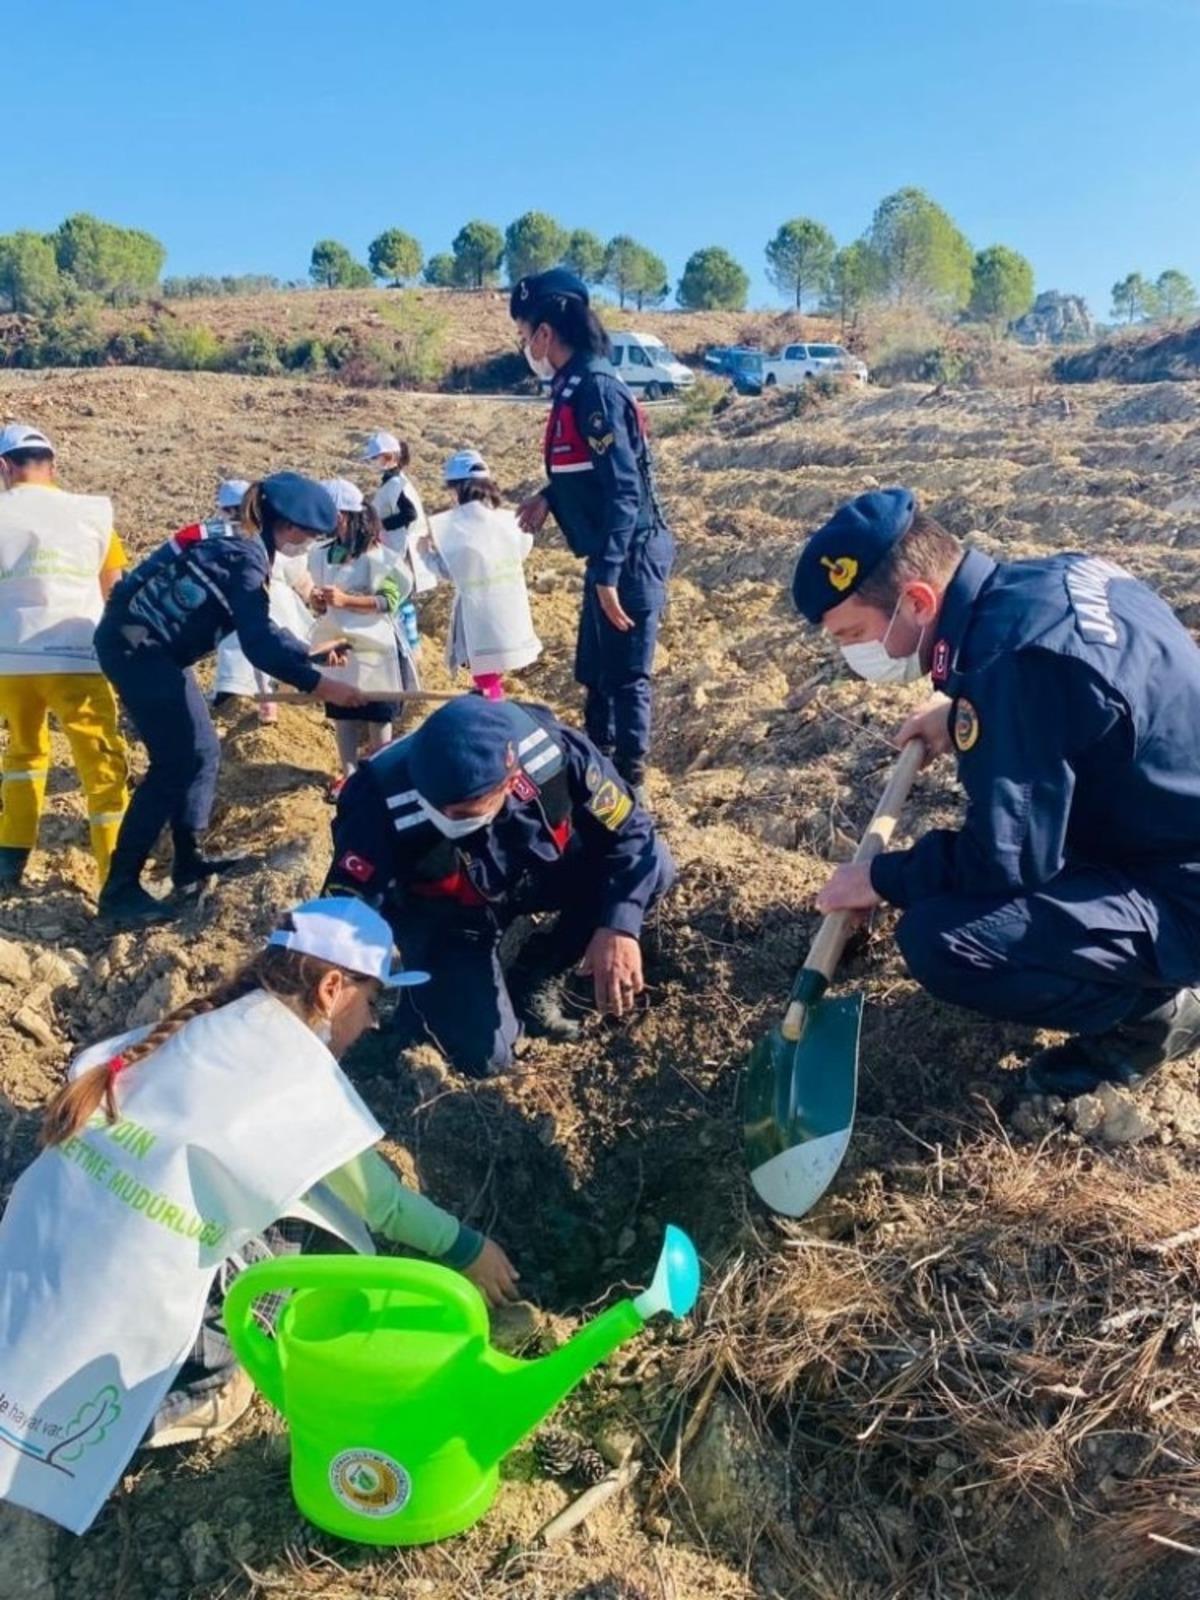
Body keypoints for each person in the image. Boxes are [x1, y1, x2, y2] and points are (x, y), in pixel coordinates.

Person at [0, 896, 518, 1533]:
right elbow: (380, 1203)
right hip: (128, 1307)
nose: (375, 1022)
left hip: (40, 1264)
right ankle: (200, 1392)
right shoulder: (289, 1075)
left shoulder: (210, 1029)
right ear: (332, 988)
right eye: (373, 1001)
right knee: (295, 1250)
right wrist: (469, 1249)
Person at [792, 487, 1200, 1098]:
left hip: (1181, 886)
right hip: (1163, 820)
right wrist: (961, 709)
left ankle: (1152, 1020)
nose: (849, 652)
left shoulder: (1009, 665)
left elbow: (1004, 863)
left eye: (853, 632)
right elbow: (1077, 700)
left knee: (943, 939)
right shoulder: (1057, 579)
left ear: (918, 602)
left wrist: (884, 878)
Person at [325, 694, 675, 1077]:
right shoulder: (378, 798)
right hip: (449, 920)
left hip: (533, 878)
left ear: (509, 780)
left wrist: (618, 926)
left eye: (461, 813)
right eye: (435, 806)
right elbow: (343, 916)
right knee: (485, 1059)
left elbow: (632, 833)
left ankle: (535, 973)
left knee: (653, 868)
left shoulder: (550, 753)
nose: (445, 818)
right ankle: (425, 1001)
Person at [95, 472, 364, 924]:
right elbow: (258, 643)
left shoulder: (242, 538)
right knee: (174, 763)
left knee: (203, 750)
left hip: (151, 646)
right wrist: (321, 686)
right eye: (314, 537)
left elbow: (259, 626)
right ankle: (120, 888)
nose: (310, 546)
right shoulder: (243, 556)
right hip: (137, 650)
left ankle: (188, 858)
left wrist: (311, 654)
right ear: (293, 528)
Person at [510, 268, 674, 803]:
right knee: (595, 672)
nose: (522, 346)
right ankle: (598, 779)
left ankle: (632, 790)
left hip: (630, 550)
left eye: (522, 333)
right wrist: (549, 496)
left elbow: (625, 489)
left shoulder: (595, 390)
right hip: (611, 550)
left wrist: (607, 575)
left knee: (626, 675)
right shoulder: (572, 385)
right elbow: (587, 469)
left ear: (544, 335)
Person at [0, 423, 130, 890]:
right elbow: (114, 590)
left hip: (10, 660)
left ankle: (9, 859)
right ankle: (116, 877)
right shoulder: (91, 514)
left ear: (4, 468)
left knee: (23, 753)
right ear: (53, 466)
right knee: (101, 765)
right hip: (77, 654)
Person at [311, 478, 409, 796]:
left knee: (377, 712)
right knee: (343, 712)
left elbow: (388, 601)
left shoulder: (377, 555)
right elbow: (318, 597)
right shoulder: (324, 554)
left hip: (375, 647)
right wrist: (319, 601)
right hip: (340, 644)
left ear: (346, 514)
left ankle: (381, 775)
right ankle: (349, 775)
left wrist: (346, 600)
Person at [423, 449, 542, 701]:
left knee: (485, 676)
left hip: (476, 610)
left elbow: (448, 570)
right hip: (506, 605)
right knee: (491, 674)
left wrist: (425, 552)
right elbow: (523, 548)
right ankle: (492, 701)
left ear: (458, 489)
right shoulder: (508, 521)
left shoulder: (458, 527)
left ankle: (492, 710)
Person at [211, 477, 315, 726]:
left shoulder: (225, 537)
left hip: (256, 599)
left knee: (249, 647)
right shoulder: (269, 533)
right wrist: (311, 594)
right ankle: (271, 695)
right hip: (268, 598)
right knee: (273, 646)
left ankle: (263, 698)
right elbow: (298, 573)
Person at [361, 429, 435, 660]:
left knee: (399, 595)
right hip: (395, 547)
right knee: (399, 595)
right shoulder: (392, 483)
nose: (374, 462)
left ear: (390, 456)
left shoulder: (397, 485)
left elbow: (409, 514)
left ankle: (410, 646)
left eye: (377, 457)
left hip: (402, 549)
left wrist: (380, 525)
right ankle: (407, 643)